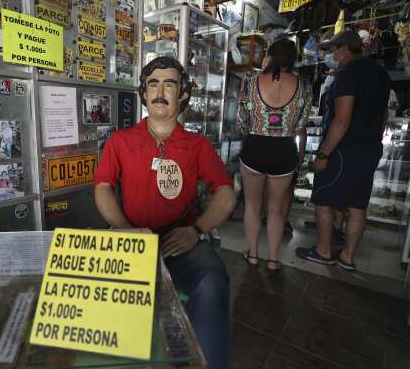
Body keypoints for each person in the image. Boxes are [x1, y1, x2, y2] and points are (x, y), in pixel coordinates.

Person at [94, 56, 235, 369]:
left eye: (169, 83)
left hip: (181, 241)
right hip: (133, 240)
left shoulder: (197, 145)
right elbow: (103, 187)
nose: (160, 91)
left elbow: (226, 193)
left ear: (182, 93)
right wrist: (123, 229)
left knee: (211, 282)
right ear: (143, 93)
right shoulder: (120, 141)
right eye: (153, 84)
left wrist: (197, 231)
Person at [296, 30, 391, 271]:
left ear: (346, 49)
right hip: (369, 148)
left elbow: (342, 119)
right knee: (358, 205)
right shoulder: (380, 73)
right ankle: (347, 258)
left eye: (333, 50)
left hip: (343, 149)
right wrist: (373, 143)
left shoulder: (348, 74)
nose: (331, 55)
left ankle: (323, 251)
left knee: (323, 200)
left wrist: (323, 154)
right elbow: (384, 116)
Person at [237, 38, 311, 272]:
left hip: (255, 147)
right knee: (276, 209)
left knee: (251, 204)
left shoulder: (250, 82)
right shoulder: (304, 86)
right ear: (293, 59)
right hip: (284, 150)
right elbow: (301, 124)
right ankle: (273, 259)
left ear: (270, 55)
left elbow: (241, 122)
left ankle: (253, 254)